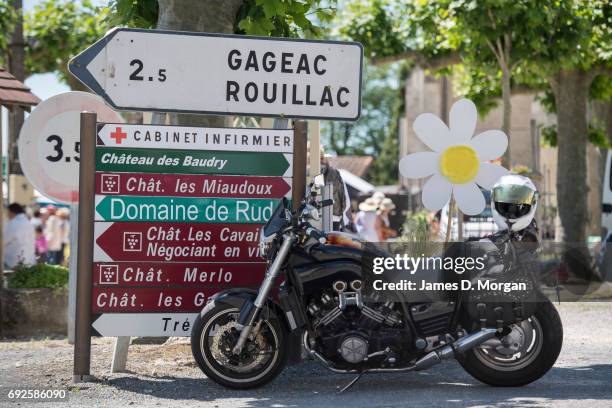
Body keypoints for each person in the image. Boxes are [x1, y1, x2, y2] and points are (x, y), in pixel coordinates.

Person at [3, 203, 36, 268]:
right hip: (29, 260)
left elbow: (3, 241)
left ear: (11, 212)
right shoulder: (28, 223)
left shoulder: (13, 223)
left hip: (13, 262)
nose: (7, 215)